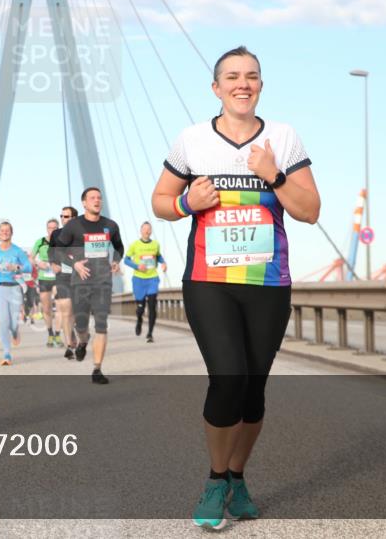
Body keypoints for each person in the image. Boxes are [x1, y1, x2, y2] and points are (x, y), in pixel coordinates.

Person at [151, 46, 320, 529]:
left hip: (268, 283)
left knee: (254, 390)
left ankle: (237, 477)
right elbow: (160, 200)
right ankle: (214, 480)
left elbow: (310, 211)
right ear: (216, 88)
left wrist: (274, 175)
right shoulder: (192, 140)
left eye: (251, 76)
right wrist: (187, 203)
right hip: (210, 282)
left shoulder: (283, 138)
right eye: (232, 77)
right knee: (228, 378)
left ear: (261, 85)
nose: (242, 84)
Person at [56, 188, 123, 384]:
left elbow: (119, 247)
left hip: (103, 282)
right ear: (84, 203)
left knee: (101, 324)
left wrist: (116, 260)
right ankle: (83, 341)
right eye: (92, 198)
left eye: (99, 197)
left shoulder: (110, 225)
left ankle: (97, 369)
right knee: (81, 324)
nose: (97, 200)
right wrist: (74, 264)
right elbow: (58, 250)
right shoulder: (73, 226)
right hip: (80, 282)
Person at [0, 221, 32, 366]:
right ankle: (7, 354)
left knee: (13, 323)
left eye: (7, 230)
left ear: (11, 233)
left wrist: (17, 267)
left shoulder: (17, 251)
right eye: (2, 230)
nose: (5, 232)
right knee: (3, 321)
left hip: (14, 288)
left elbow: (28, 267)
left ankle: (15, 331)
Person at [124, 221, 167, 343]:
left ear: (151, 231)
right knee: (140, 308)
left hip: (152, 278)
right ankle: (139, 320)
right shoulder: (135, 245)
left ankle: (150, 334)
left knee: (152, 306)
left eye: (149, 229)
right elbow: (126, 260)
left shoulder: (155, 244)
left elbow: (158, 256)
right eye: (145, 229)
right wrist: (137, 266)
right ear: (141, 231)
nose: (147, 231)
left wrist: (163, 263)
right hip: (138, 280)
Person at [49, 206, 78, 360]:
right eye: (62, 216)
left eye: (66, 216)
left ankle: (73, 330)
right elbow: (50, 252)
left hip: (80, 275)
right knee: (66, 309)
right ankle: (69, 346)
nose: (63, 219)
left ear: (74, 218)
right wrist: (53, 264)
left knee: (76, 311)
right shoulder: (56, 234)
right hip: (62, 276)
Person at [31, 219, 62, 346]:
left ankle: (58, 335)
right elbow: (31, 258)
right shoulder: (40, 241)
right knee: (47, 308)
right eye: (50, 228)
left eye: (55, 228)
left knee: (60, 306)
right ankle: (50, 334)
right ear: (47, 229)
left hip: (59, 277)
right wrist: (38, 263)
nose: (52, 230)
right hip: (44, 278)